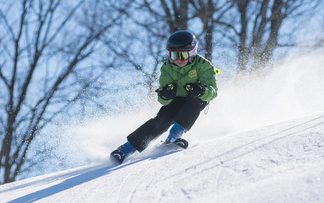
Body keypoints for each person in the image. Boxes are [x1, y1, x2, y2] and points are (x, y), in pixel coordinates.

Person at [110, 30, 218, 164]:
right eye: (173, 55)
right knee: (162, 119)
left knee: (195, 103)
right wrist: (165, 94)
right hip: (176, 99)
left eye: (183, 55)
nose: (178, 60)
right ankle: (125, 149)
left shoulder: (203, 65)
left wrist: (202, 90)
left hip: (195, 97)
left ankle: (174, 136)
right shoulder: (167, 68)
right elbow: (162, 99)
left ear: (192, 53)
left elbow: (213, 91)